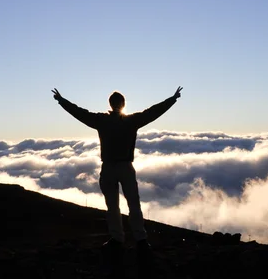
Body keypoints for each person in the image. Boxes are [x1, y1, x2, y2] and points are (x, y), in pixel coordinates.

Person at [51, 86, 183, 253]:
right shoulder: (132, 120)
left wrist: (62, 101)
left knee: (112, 206)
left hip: (108, 168)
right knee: (133, 204)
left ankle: (117, 238)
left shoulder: (101, 120)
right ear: (123, 104)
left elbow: (79, 113)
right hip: (125, 167)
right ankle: (140, 239)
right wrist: (172, 99)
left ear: (111, 104)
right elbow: (153, 112)